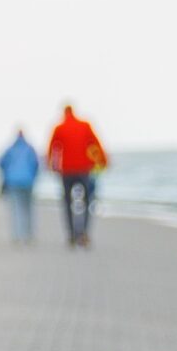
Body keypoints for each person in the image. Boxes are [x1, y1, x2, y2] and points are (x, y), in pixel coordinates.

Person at [46, 104, 109, 249]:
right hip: (83, 169)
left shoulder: (59, 128)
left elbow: (53, 149)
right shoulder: (84, 125)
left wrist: (52, 165)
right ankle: (84, 232)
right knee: (87, 201)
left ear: (64, 113)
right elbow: (95, 144)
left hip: (66, 170)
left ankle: (71, 235)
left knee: (67, 202)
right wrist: (103, 161)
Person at [0, 127, 41, 245]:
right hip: (28, 181)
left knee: (16, 209)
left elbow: (2, 163)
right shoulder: (30, 149)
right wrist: (33, 177)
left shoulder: (10, 149)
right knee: (28, 209)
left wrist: (7, 174)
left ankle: (17, 235)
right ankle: (29, 235)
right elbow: (36, 164)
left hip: (13, 182)